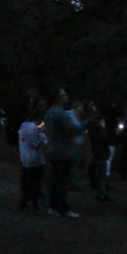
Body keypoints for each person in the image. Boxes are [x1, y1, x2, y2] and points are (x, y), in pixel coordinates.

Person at [44, 88, 87, 218]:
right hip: (63, 151)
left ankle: (53, 207)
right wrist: (86, 124)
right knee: (62, 181)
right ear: (58, 98)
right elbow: (71, 130)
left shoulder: (49, 112)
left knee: (55, 180)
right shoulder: (61, 113)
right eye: (64, 95)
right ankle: (63, 208)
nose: (66, 97)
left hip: (52, 149)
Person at [17, 113, 47, 210]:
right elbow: (35, 145)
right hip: (35, 160)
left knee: (26, 181)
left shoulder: (23, 128)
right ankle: (35, 202)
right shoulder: (35, 129)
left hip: (25, 159)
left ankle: (24, 201)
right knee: (36, 181)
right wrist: (43, 137)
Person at [88, 114, 112, 201]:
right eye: (103, 122)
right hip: (101, 155)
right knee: (102, 176)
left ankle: (101, 193)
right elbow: (106, 141)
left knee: (100, 176)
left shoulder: (95, 133)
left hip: (99, 155)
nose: (104, 123)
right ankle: (101, 194)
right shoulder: (101, 132)